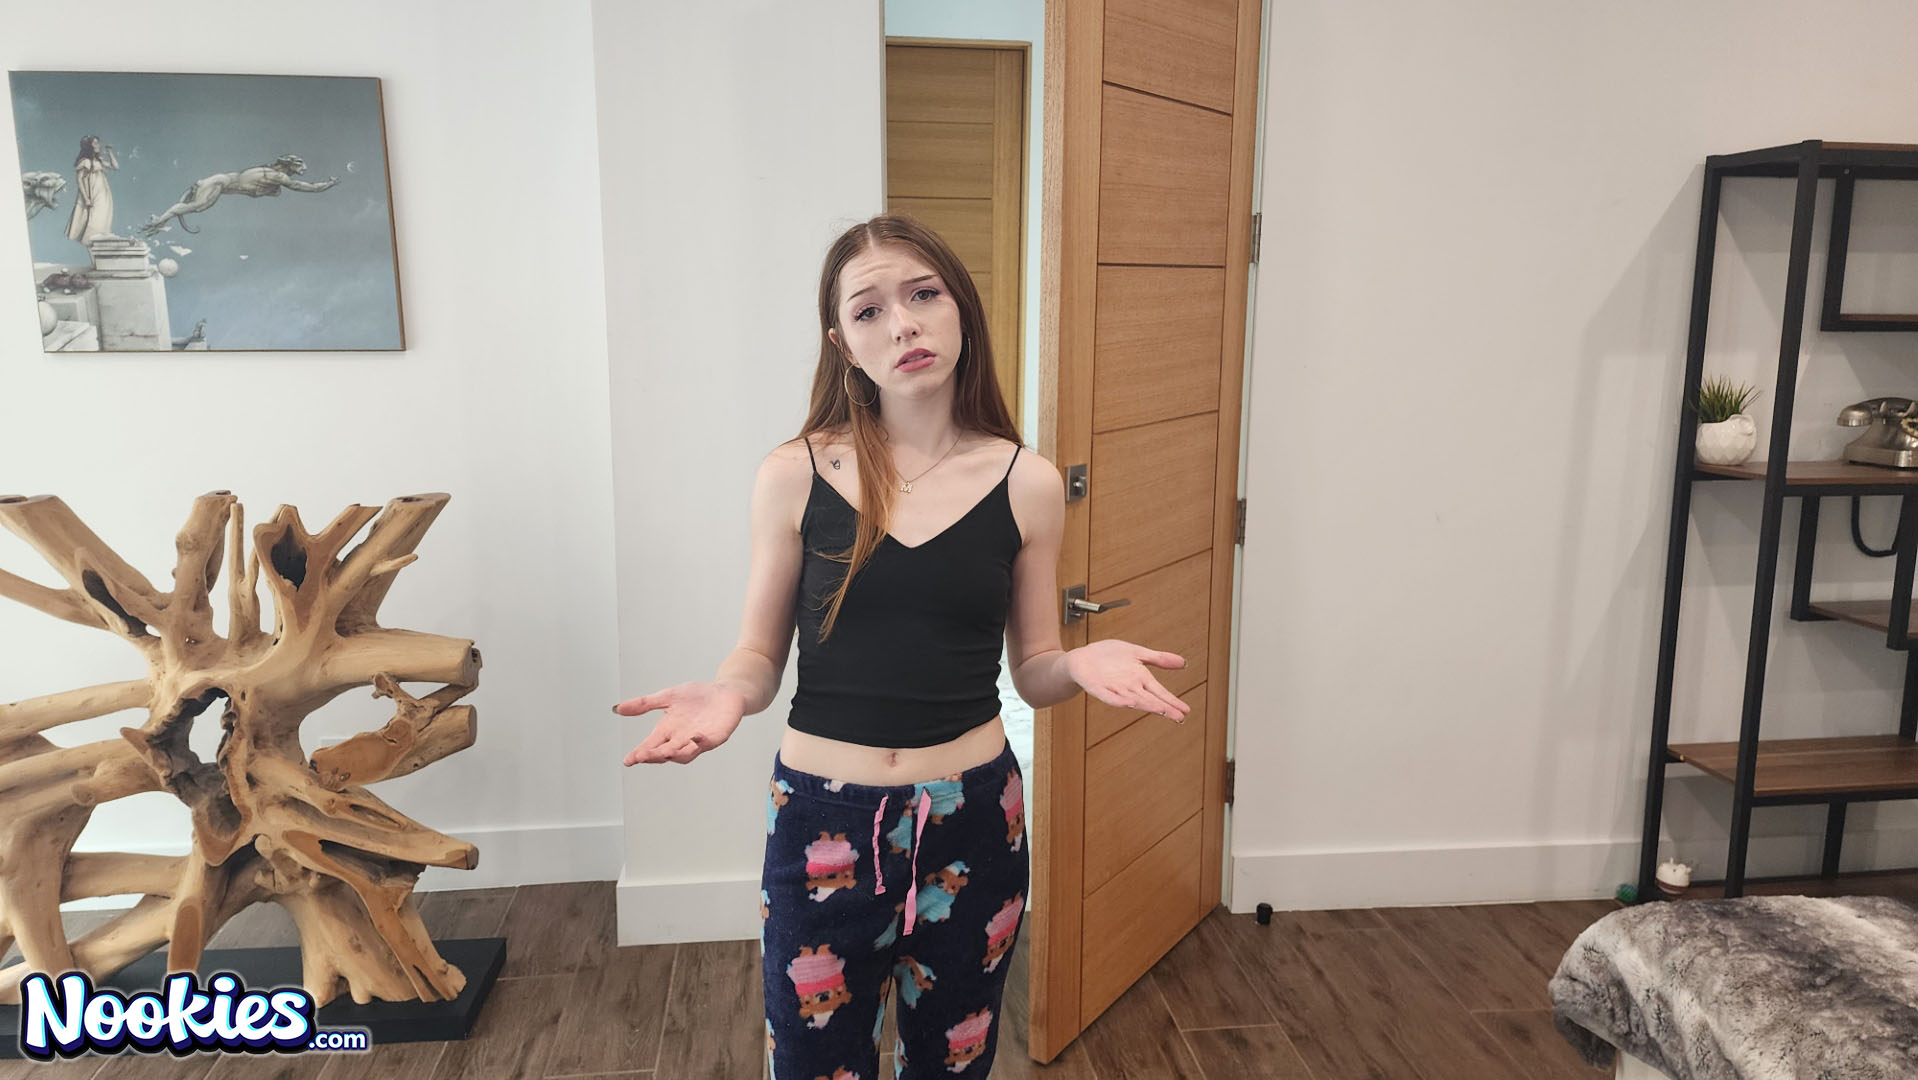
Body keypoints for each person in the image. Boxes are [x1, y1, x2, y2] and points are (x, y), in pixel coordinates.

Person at [614, 213, 1190, 1078]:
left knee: (955, 1063)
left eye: (924, 295)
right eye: (869, 310)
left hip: (977, 822)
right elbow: (758, 657)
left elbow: (1034, 670)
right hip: (821, 818)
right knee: (812, 1062)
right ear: (842, 343)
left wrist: (1075, 663)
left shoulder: (1027, 482)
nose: (904, 324)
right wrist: (729, 692)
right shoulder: (794, 473)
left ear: (961, 309)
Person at [66, 135, 119, 245]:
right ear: (88, 146)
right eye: (95, 143)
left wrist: (109, 152)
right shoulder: (85, 162)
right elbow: (79, 181)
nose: (98, 145)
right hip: (93, 194)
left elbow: (115, 167)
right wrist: (86, 198)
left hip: (103, 194)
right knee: (94, 219)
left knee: (103, 217)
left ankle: (99, 241)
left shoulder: (99, 161)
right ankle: (91, 241)